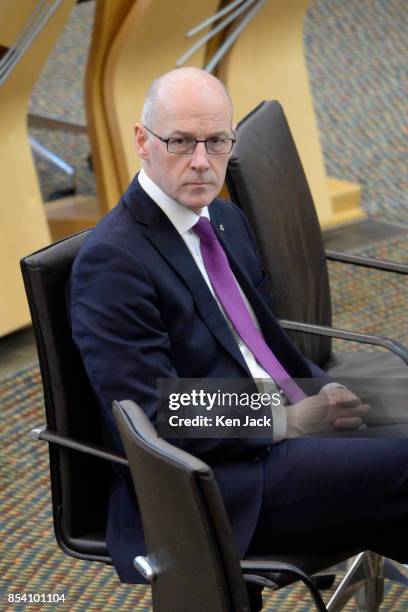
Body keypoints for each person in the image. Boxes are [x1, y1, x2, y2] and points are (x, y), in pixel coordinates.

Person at [69, 68, 408, 610]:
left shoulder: (221, 219)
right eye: (180, 142)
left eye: (217, 142)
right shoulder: (114, 262)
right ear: (142, 141)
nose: (202, 160)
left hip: (284, 430)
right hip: (221, 483)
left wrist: (322, 395)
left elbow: (265, 348)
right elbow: (157, 415)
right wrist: (288, 419)